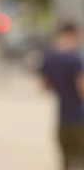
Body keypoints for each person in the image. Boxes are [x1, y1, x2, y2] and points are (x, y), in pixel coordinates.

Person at [39, 22, 84, 169]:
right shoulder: (76, 60)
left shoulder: (48, 58)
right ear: (72, 34)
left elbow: (45, 87)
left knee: (66, 161)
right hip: (79, 118)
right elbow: (81, 89)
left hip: (62, 119)